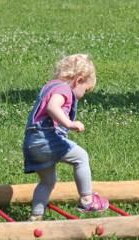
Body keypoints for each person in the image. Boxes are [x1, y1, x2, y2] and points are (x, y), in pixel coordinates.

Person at [23, 54, 109, 221]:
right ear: (79, 80)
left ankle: (36, 215)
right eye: (85, 90)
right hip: (46, 137)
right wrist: (69, 123)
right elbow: (52, 107)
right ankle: (87, 200)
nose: (82, 95)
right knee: (81, 157)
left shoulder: (49, 86)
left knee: (47, 181)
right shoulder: (64, 90)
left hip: (31, 143)